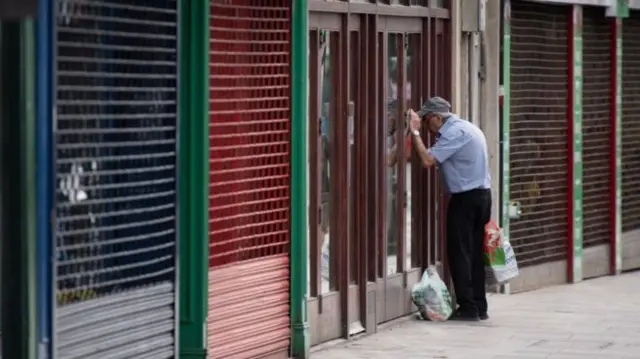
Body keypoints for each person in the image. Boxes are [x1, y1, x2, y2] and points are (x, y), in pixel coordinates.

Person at [407, 96, 492, 322]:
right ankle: (478, 305)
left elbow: (427, 160)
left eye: (426, 122)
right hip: (481, 196)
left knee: (460, 253)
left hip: (466, 199)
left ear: (436, 117)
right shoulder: (467, 127)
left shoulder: (455, 134)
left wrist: (414, 133)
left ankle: (468, 307)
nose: (426, 127)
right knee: (473, 254)